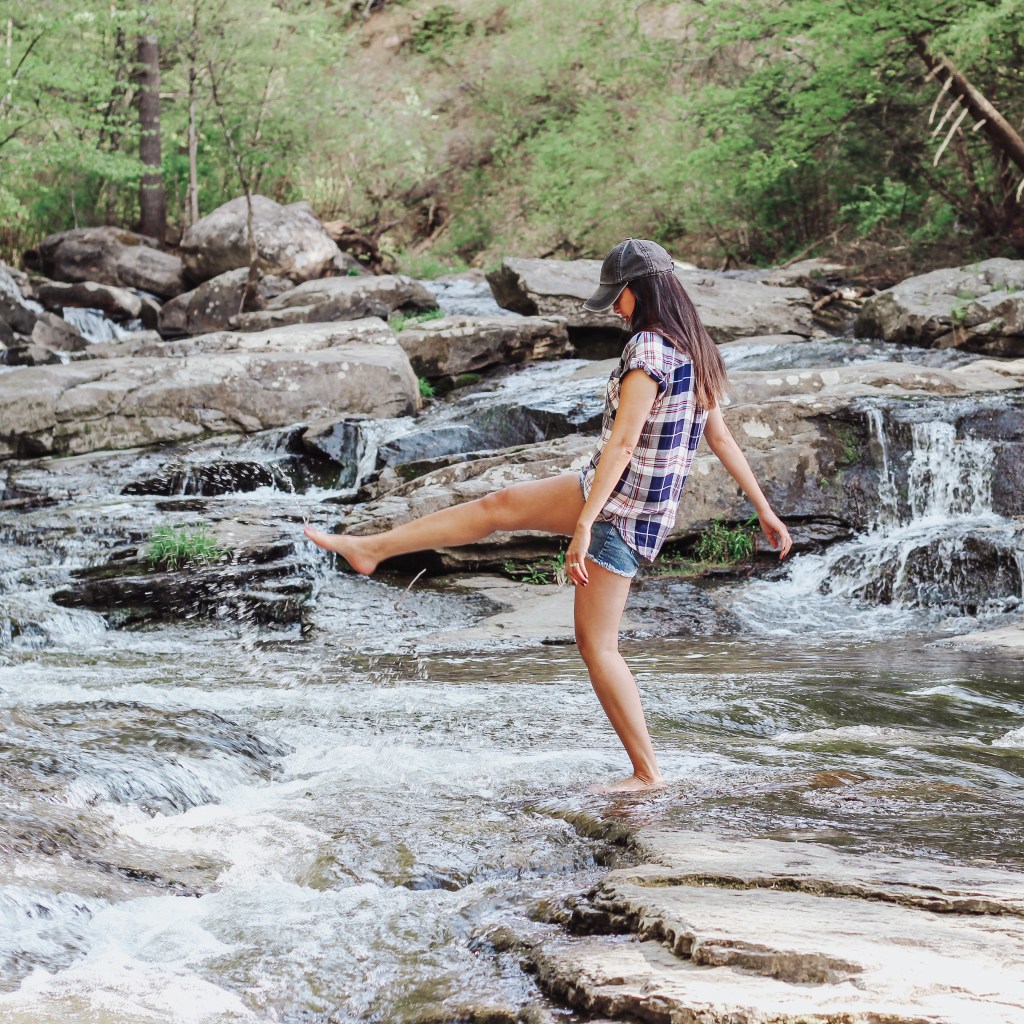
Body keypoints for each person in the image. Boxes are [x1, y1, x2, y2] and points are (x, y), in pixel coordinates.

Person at [304, 238, 792, 793]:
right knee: (499, 506)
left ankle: (647, 774)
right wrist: (764, 509)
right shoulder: (695, 348)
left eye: (618, 297)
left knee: (597, 645)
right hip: (622, 498)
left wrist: (585, 524)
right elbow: (720, 436)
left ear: (640, 290)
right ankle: (372, 548)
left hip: (617, 510)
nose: (615, 309)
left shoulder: (649, 350)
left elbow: (624, 444)